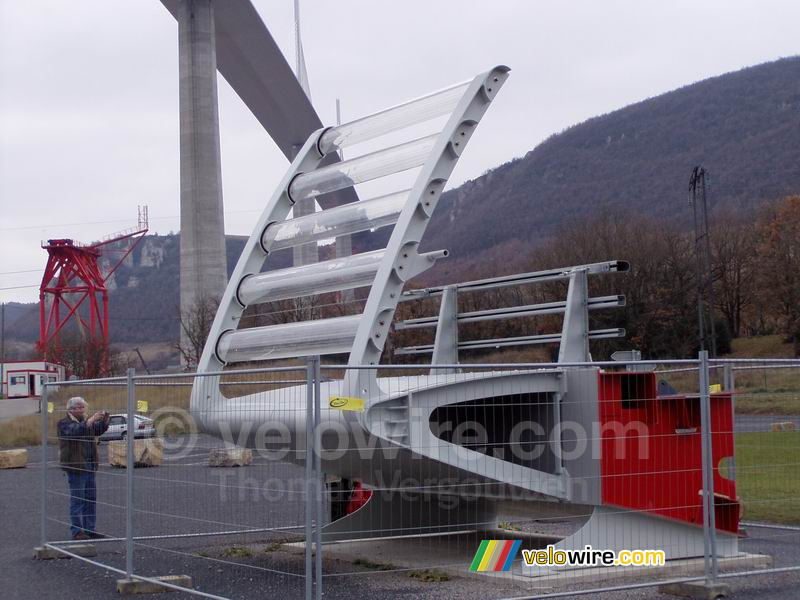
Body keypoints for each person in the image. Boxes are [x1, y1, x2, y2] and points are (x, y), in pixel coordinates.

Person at [58, 396, 109, 540]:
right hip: (76, 466)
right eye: (77, 408)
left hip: (90, 465)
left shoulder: (85, 422)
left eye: (82, 407)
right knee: (77, 500)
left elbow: (97, 430)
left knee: (91, 499)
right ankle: (77, 531)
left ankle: (89, 529)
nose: (80, 410)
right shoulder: (64, 423)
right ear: (70, 409)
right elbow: (74, 431)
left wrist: (104, 420)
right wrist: (90, 421)